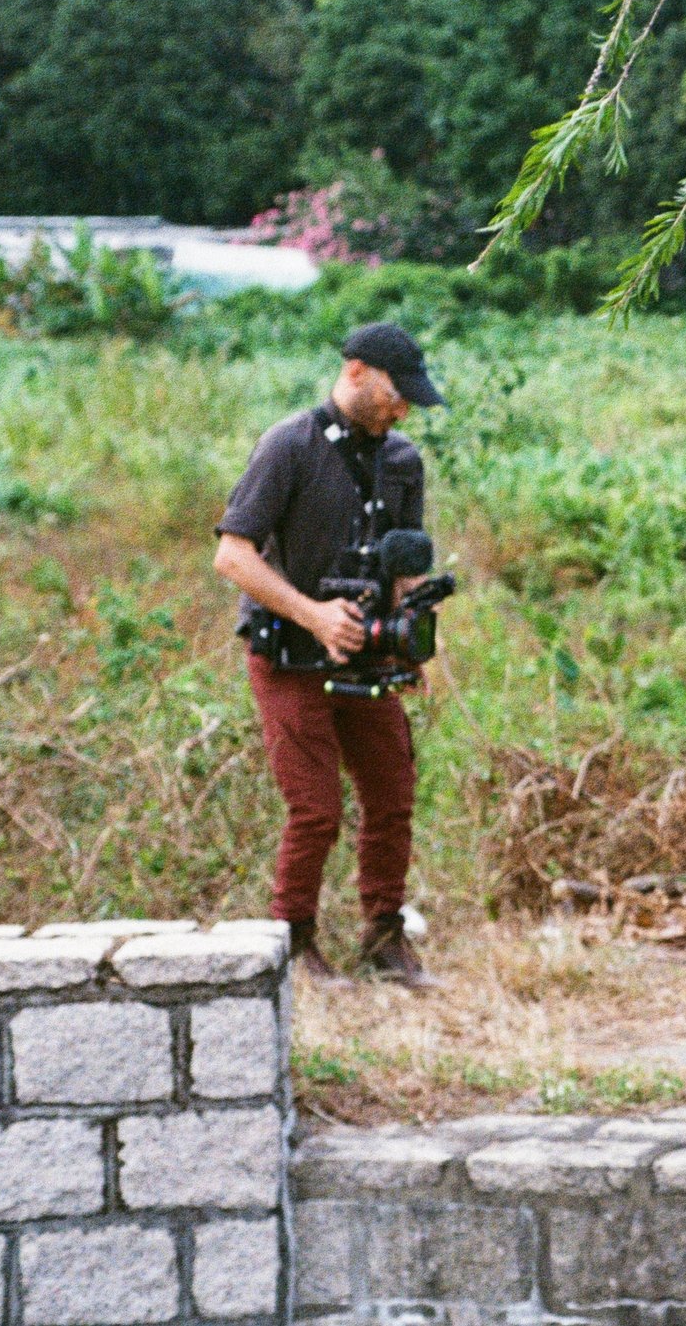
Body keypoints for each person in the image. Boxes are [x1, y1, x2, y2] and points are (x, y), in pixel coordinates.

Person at [213, 322, 444, 988]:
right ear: (357, 372)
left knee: (392, 792)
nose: (400, 410)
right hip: (289, 652)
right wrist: (313, 614)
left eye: (408, 401)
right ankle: (295, 941)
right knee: (315, 808)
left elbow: (403, 558)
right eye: (395, 395)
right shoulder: (290, 445)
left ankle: (384, 936)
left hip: (367, 656)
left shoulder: (401, 460)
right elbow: (232, 553)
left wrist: (411, 633)